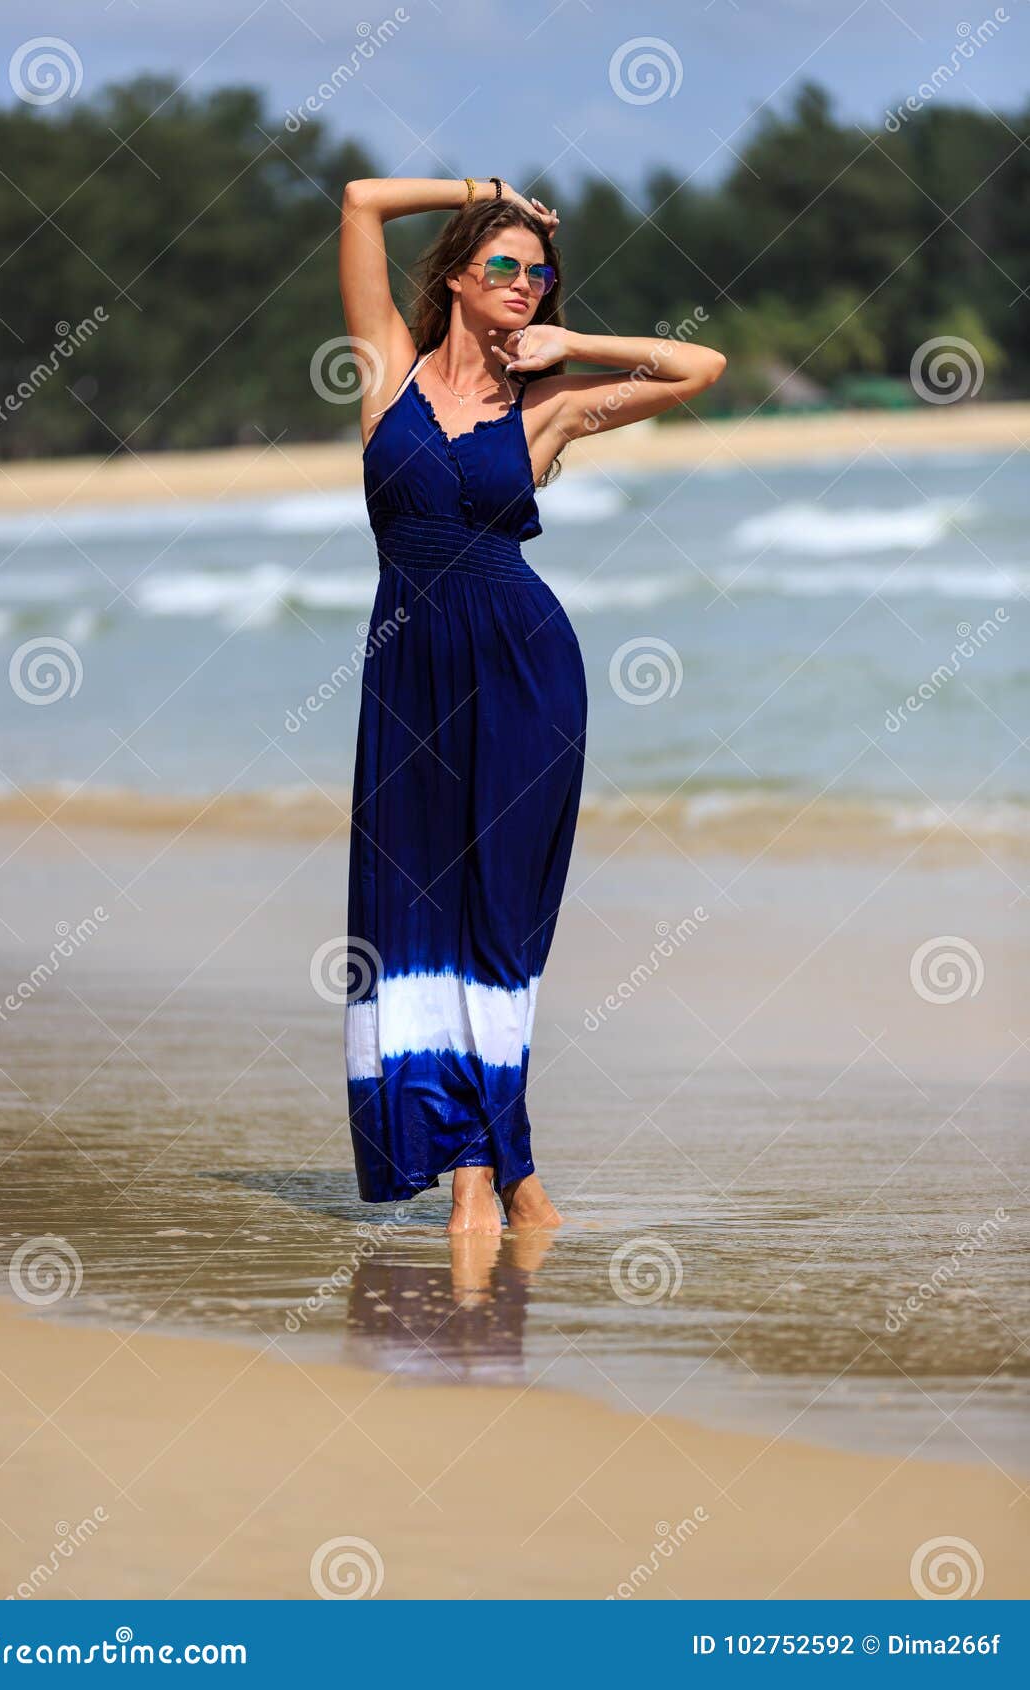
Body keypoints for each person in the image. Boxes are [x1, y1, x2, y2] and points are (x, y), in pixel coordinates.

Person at [338, 174, 726, 1234]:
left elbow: (699, 366)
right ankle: (506, 1179)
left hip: (524, 669)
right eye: (500, 265)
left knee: (500, 920)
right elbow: (362, 200)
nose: (522, 283)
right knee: (421, 908)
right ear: (457, 277)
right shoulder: (385, 371)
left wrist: (572, 343)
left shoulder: (543, 411)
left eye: (536, 271)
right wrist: (486, 191)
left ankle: (484, 1172)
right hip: (408, 674)